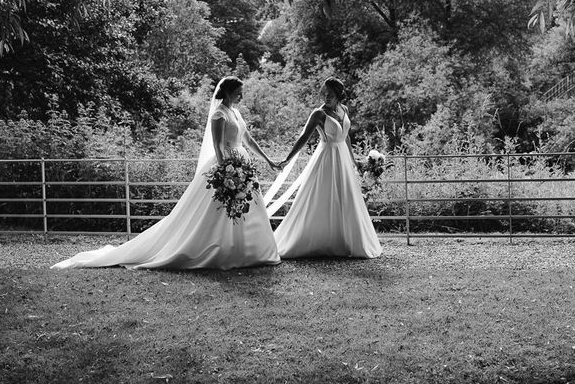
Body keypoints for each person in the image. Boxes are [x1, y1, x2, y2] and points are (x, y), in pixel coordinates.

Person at [51, 77, 281, 270]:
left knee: (249, 206)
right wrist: (224, 173)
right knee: (218, 210)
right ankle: (217, 252)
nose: (241, 96)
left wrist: (268, 160)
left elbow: (248, 140)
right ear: (228, 92)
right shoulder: (219, 115)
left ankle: (249, 252)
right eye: (239, 93)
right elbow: (219, 145)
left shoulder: (236, 113)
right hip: (227, 165)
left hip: (242, 163)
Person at [267, 77, 382, 259]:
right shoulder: (318, 114)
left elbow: (346, 137)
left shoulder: (343, 110)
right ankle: (317, 240)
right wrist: (287, 159)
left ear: (338, 96)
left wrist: (355, 162)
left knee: (346, 198)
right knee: (322, 197)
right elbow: (304, 137)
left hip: (342, 158)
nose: (326, 98)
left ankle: (345, 240)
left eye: (330, 95)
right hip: (327, 158)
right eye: (324, 94)